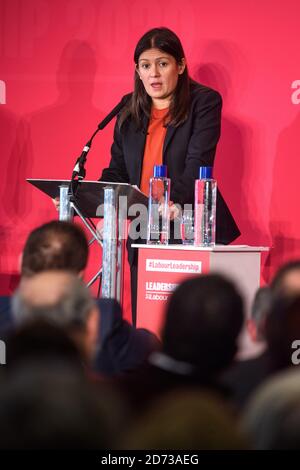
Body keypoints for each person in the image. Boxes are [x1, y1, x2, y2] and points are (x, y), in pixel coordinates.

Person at [98, 27, 240, 323]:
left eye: (163, 64)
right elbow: (117, 171)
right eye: (146, 66)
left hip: (190, 226)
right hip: (142, 232)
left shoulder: (204, 102)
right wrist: (83, 196)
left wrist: (165, 205)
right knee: (148, 324)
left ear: (181, 65)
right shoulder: (129, 108)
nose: (154, 74)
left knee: (190, 327)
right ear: (137, 70)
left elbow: (197, 166)